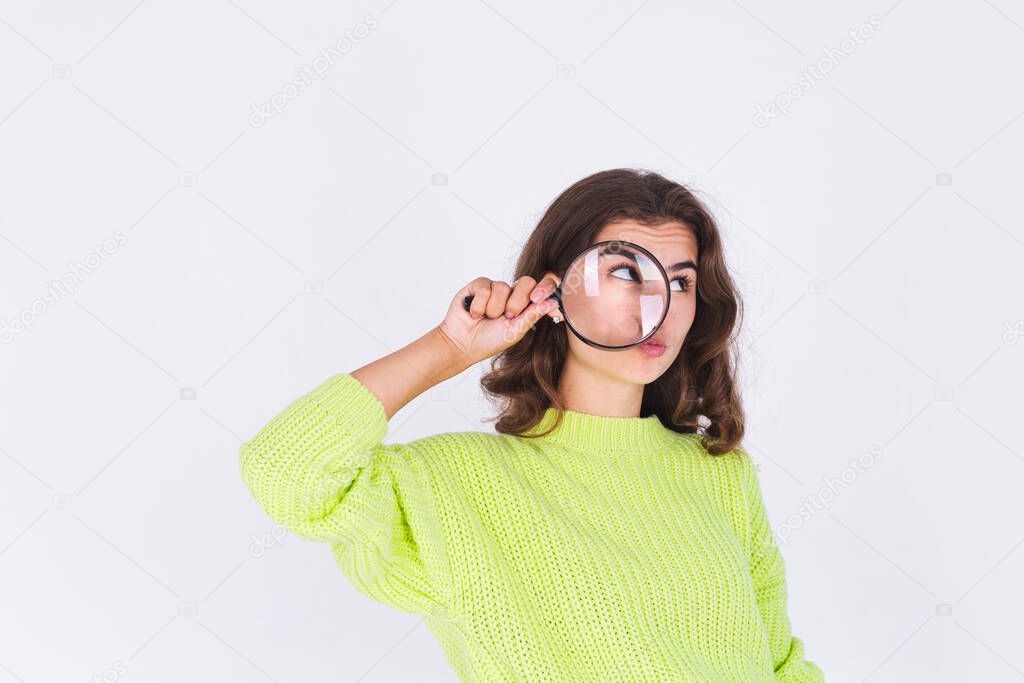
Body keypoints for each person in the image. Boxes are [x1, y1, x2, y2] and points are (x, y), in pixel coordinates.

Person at [239, 168, 826, 681]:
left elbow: (779, 666)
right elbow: (288, 470)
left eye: (681, 281)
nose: (659, 306)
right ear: (555, 290)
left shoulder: (719, 474)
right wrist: (449, 346)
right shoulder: (456, 483)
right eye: (626, 273)